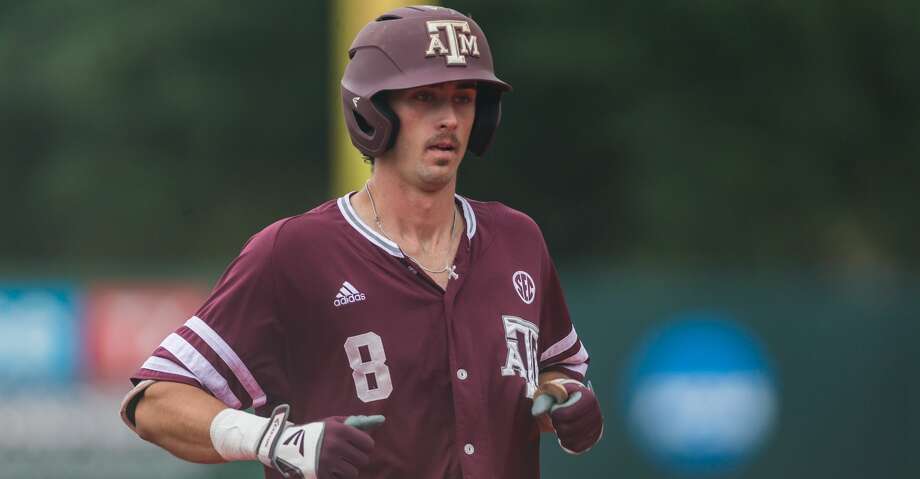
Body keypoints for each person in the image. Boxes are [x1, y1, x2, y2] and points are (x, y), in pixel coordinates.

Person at [119, 5, 603, 478]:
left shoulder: (518, 239)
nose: (450, 119)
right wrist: (276, 441)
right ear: (373, 110)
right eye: (425, 98)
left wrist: (564, 398)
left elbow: (556, 373)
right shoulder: (296, 253)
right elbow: (155, 403)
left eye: (464, 98)